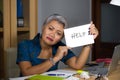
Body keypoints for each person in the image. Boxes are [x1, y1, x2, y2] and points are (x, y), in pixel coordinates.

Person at [16, 14, 99, 76]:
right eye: (50, 28)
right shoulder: (25, 44)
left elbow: (78, 65)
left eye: (58, 33)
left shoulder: (59, 46)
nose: (52, 34)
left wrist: (89, 40)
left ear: (61, 38)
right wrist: (55, 58)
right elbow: (26, 72)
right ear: (43, 27)